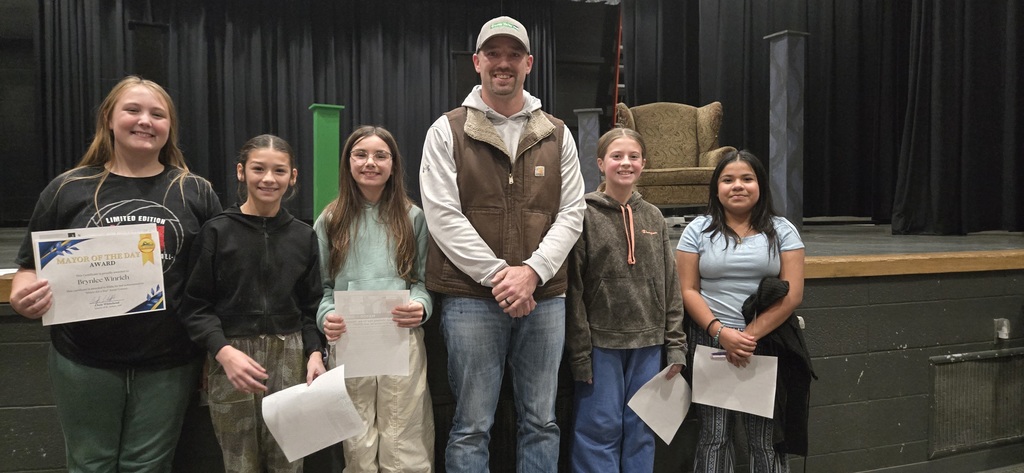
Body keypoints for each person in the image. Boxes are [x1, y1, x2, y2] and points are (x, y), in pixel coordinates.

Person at [8, 75, 222, 472]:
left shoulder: (195, 191)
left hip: (170, 361)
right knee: (91, 464)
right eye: (133, 110)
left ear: (169, 126)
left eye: (157, 114)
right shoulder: (67, 189)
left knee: (150, 465)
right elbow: (27, 269)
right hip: (83, 360)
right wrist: (23, 296)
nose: (145, 120)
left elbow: (211, 282)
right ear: (109, 118)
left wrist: (214, 350)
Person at [419, 15, 586, 472]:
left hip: (545, 298)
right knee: (471, 426)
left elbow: (573, 212)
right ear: (477, 62)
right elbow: (442, 216)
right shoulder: (445, 130)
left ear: (529, 63)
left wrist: (531, 274)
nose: (503, 63)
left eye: (513, 54)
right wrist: (501, 277)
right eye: (493, 53)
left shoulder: (557, 132)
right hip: (471, 298)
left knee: (542, 422)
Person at [179, 134, 327, 472]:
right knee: (239, 463)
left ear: (293, 177)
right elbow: (195, 306)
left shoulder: (303, 236)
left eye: (279, 170)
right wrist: (222, 351)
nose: (268, 179)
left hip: (290, 356)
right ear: (241, 172)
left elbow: (310, 306)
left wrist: (315, 352)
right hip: (232, 357)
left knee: (289, 461)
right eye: (259, 169)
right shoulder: (217, 232)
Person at [675, 149, 805, 472]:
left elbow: (793, 295)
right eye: (728, 179)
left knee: (765, 439)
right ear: (716, 188)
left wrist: (747, 336)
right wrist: (721, 333)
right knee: (714, 436)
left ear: (760, 185)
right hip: (710, 341)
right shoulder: (697, 231)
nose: (738, 186)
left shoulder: (783, 230)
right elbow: (688, 290)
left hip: (765, 341)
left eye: (747, 179)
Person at [565, 128, 686, 473]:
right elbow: (573, 290)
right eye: (616, 156)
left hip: (649, 344)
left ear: (643, 164)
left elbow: (670, 286)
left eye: (633, 156)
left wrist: (675, 346)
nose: (625, 163)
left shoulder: (654, 217)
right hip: (601, 344)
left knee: (641, 429)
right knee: (598, 430)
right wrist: (580, 353)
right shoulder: (583, 214)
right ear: (601, 163)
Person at [316, 126, 434, 472]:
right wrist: (327, 314)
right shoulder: (331, 219)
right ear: (348, 163)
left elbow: (423, 282)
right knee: (357, 435)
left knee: (405, 433)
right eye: (361, 154)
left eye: (381, 155)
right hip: (351, 340)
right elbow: (322, 287)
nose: (371, 162)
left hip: (401, 337)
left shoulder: (413, 218)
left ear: (394, 165)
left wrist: (421, 306)